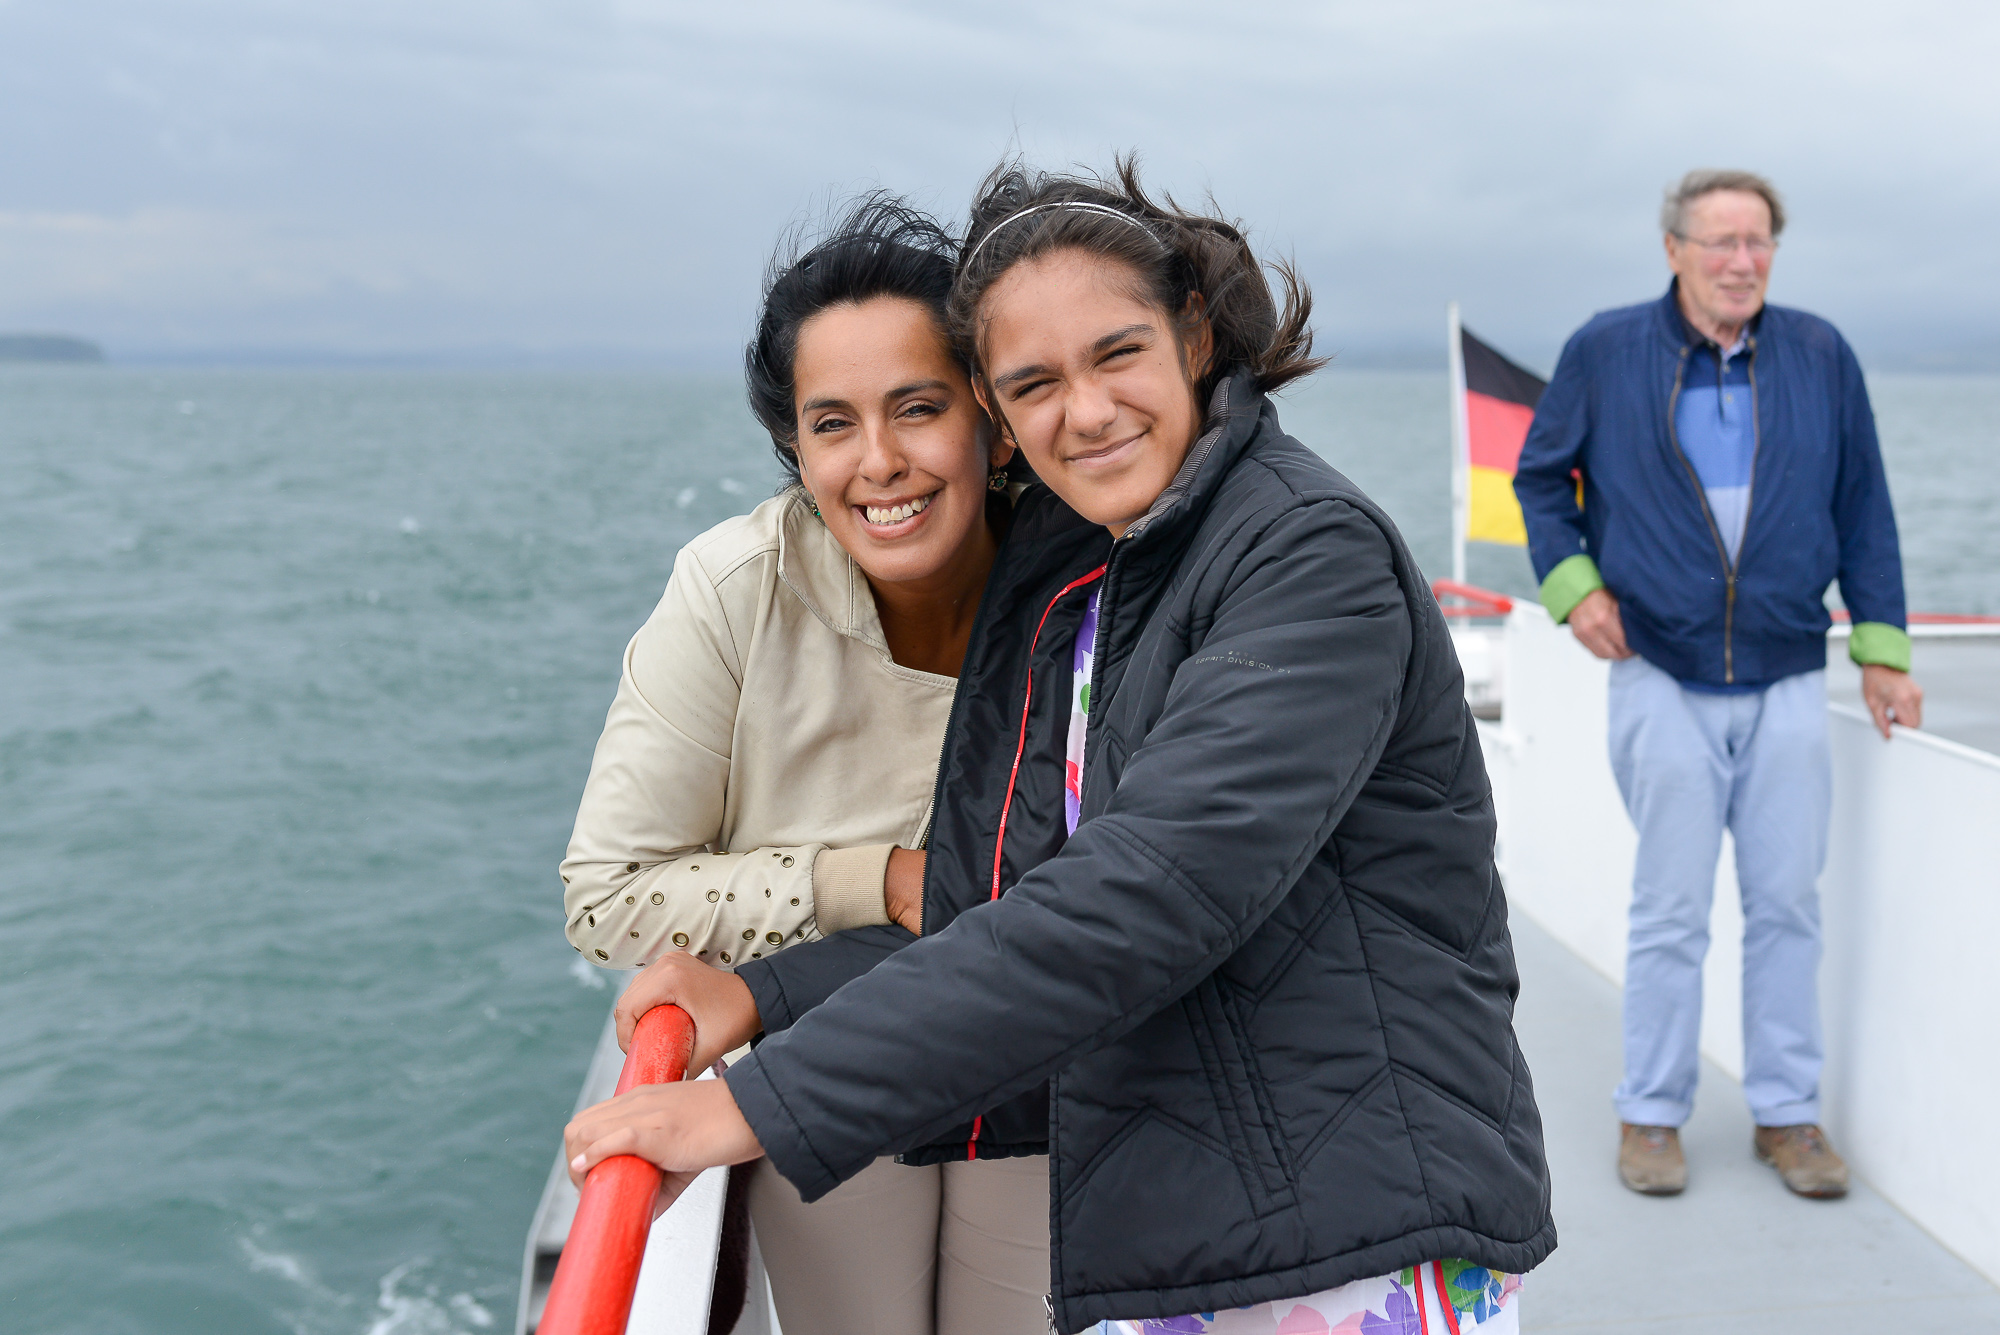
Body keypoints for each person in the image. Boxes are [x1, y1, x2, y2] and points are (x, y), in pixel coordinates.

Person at [565, 159, 1554, 1335]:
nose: (1082, 412)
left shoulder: (1303, 552)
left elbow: (1147, 891)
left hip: (1348, 1225)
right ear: (999, 412)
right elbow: (1006, 897)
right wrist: (765, 989)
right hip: (1205, 1206)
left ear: (1193, 335)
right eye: (1033, 382)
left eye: (1115, 353)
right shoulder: (1104, 584)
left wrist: (756, 1107)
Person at [560, 196, 1049, 1335]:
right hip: (826, 1066)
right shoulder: (735, 590)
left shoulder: (1079, 578)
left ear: (989, 419)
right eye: (833, 424)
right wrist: (869, 879)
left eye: (918, 408)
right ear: (795, 448)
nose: (879, 462)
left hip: (1042, 1063)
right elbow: (609, 893)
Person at [1512, 169, 1924, 1200]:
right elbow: (1540, 481)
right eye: (1720, 242)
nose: (1742, 262)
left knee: (1786, 904)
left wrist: (1882, 650)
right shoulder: (1605, 348)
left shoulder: (1820, 352)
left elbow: (1863, 503)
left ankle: (1787, 1114)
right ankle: (1650, 1113)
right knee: (1670, 908)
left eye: (1758, 242)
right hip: (1659, 667)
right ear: (1673, 250)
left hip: (1786, 671)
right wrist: (1575, 592)